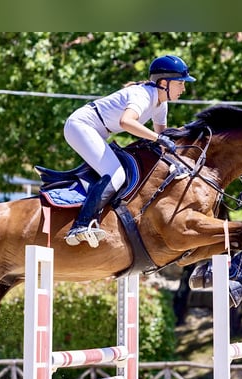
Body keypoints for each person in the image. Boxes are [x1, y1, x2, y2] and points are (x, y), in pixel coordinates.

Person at [63, 54, 196, 247]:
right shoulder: (142, 95)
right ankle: (80, 225)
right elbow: (126, 122)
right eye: (180, 83)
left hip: (97, 130)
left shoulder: (161, 105)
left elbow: (163, 140)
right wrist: (159, 138)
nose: (183, 88)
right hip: (81, 125)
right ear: (165, 83)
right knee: (116, 175)